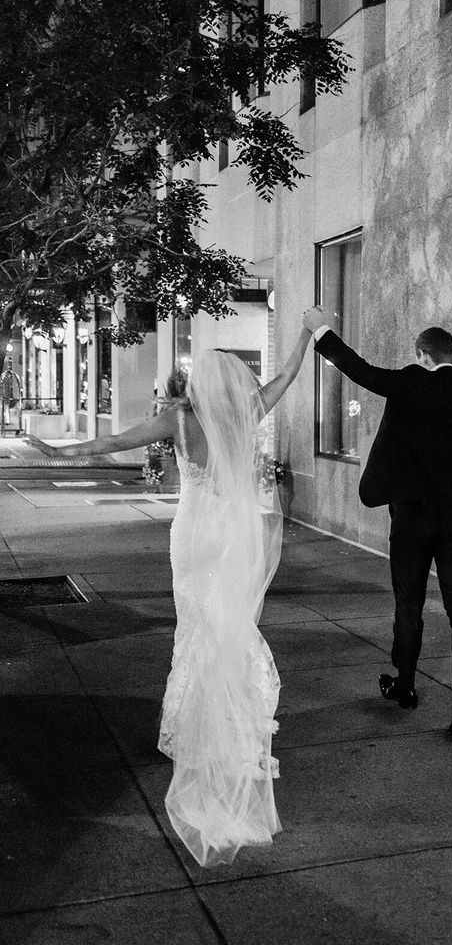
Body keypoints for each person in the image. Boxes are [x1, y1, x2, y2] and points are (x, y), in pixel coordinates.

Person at [43, 323, 313, 865]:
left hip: (192, 533)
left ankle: (198, 729)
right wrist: (306, 333)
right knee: (229, 622)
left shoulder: (180, 420)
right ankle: (232, 727)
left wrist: (63, 451)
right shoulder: (247, 413)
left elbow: (116, 441)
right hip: (234, 532)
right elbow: (287, 374)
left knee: (195, 622)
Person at [302, 308, 452, 737]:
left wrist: (319, 329)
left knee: (409, 604)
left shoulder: (408, 382)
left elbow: (358, 369)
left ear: (421, 355)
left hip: (411, 519)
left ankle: (404, 684)